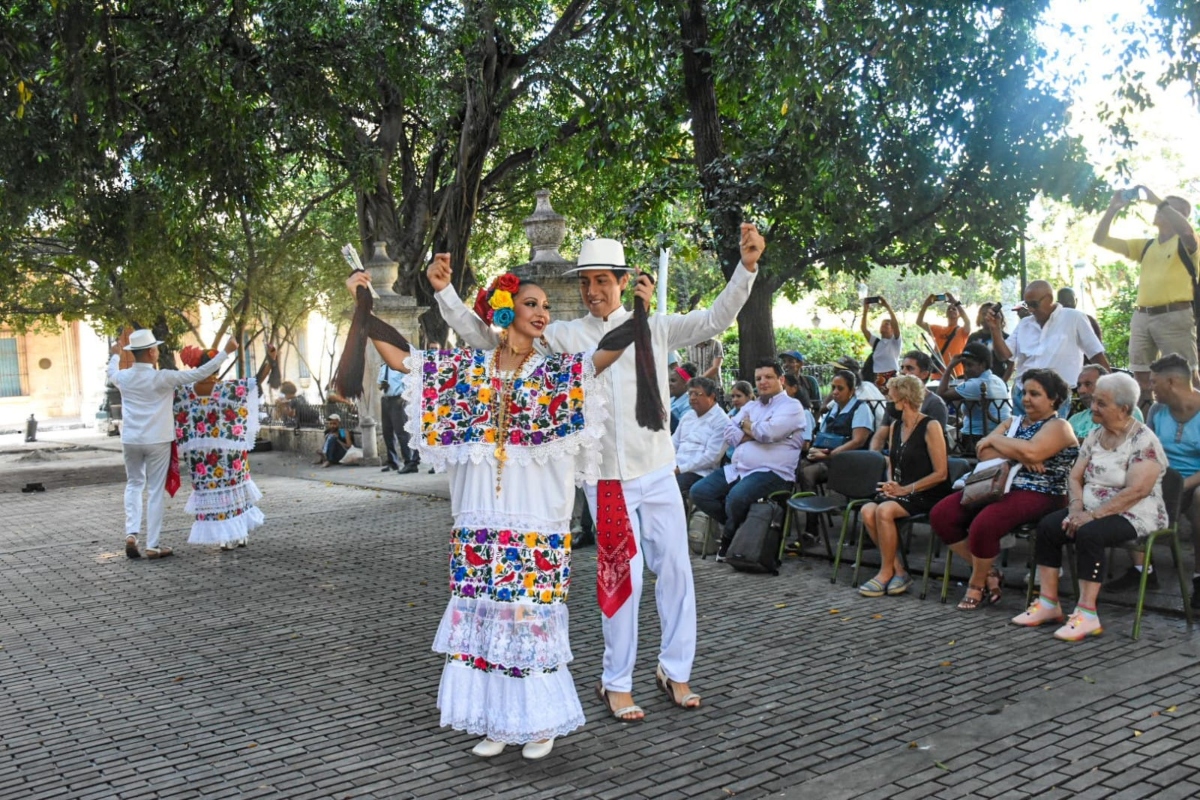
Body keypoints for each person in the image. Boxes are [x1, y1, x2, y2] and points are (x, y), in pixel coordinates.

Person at [434, 223, 765, 722]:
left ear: (624, 279)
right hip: (605, 481)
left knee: (675, 570)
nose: (592, 292)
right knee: (621, 578)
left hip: (657, 470)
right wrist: (448, 298)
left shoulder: (655, 325)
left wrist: (747, 266)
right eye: (585, 282)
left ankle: (675, 671)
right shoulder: (565, 336)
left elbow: (717, 317)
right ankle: (616, 681)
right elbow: (499, 341)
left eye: (601, 282)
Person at [346, 259, 642, 759]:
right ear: (504, 311)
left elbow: (605, 354)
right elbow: (404, 361)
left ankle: (540, 722)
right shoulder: (467, 373)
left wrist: (638, 309)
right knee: (488, 620)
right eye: (532, 303)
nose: (543, 313)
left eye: (547, 306)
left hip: (535, 523)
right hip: (481, 520)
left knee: (526, 618)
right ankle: (501, 723)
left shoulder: (555, 373)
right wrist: (365, 307)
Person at [1013, 372, 1169, 640]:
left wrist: (1092, 516)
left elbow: (1138, 490)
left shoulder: (1143, 440)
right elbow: (1075, 476)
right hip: (1090, 508)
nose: (1093, 407)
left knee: (1090, 533)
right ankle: (1048, 603)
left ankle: (1087, 613)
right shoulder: (1096, 435)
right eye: (1094, 401)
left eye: (1101, 403)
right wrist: (1075, 509)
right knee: (1050, 526)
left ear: (1124, 409)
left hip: (1134, 512)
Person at [930, 369, 1078, 610]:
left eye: (1035, 394)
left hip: (1042, 493)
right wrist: (1021, 451)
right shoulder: (1013, 422)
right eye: (1024, 392)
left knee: (985, 524)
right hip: (997, 485)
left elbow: (1032, 453)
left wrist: (1002, 443)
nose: (1026, 398)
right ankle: (990, 573)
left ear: (1053, 399)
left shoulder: (1059, 426)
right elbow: (983, 451)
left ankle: (976, 584)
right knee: (942, 515)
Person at [107, 330, 237, 559]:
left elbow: (111, 372)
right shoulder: (163, 377)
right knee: (155, 490)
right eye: (156, 348)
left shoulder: (124, 378)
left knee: (134, 484)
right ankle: (152, 545)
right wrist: (226, 352)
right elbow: (200, 373)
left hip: (130, 439)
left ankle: (131, 533)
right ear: (150, 352)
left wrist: (115, 355)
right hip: (158, 439)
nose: (157, 352)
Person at [690, 360, 806, 562]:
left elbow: (768, 433)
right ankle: (740, 530)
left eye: (768, 377)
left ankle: (729, 539)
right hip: (739, 469)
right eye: (758, 378)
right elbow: (729, 432)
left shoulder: (792, 406)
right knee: (699, 492)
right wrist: (752, 429)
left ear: (781, 379)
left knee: (735, 497)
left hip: (773, 472)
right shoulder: (751, 406)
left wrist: (747, 426)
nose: (763, 382)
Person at [1092, 187, 1199, 396]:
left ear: (1179, 216)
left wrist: (1157, 199)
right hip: (1142, 316)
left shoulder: (1189, 242)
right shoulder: (1147, 245)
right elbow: (1100, 239)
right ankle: (1151, 423)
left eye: (1167, 208)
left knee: (1186, 377)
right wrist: (1113, 208)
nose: (1158, 210)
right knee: (1141, 377)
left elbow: (1186, 231)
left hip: (1174, 316)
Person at [1108, 354, 1199, 596]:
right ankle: (1143, 570)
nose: (1149, 388)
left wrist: (1179, 487)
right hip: (1161, 478)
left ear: (1171, 383)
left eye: (1153, 382)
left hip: (1194, 481)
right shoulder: (1158, 410)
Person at [173, 344, 274, 550]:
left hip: (199, 458)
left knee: (212, 494)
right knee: (233, 492)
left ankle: (225, 537)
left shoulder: (182, 392)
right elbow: (256, 382)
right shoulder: (228, 389)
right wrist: (270, 359)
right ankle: (238, 533)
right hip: (229, 453)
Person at [858, 375, 951, 597]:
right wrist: (892, 483)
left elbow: (941, 473)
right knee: (867, 510)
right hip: (903, 490)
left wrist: (905, 490)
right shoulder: (896, 426)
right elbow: (892, 460)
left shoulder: (931, 425)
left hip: (928, 492)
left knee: (884, 509)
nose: (888, 403)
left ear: (904, 400)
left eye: (891, 398)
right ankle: (898, 570)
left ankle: (884, 571)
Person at [986, 280, 1110, 416]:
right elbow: (1004, 355)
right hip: (1022, 393)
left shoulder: (1074, 318)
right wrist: (995, 329)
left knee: (1050, 437)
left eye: (1034, 304)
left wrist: (1112, 388)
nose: (1031, 310)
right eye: (1028, 305)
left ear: (1049, 299)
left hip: (1055, 397)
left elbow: (1096, 355)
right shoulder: (1025, 324)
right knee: (1019, 437)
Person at [800, 369, 875, 491]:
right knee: (799, 466)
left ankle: (816, 508)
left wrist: (828, 455)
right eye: (833, 387)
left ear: (852, 390)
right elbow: (823, 435)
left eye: (840, 388)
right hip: (828, 456)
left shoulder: (861, 409)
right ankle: (814, 504)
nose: (835, 392)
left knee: (808, 472)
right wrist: (815, 450)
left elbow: (858, 441)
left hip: (849, 459)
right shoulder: (834, 408)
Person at [870, 350, 948, 451]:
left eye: (909, 368)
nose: (903, 371)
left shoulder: (935, 404)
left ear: (924, 374)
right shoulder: (895, 400)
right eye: (902, 367)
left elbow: (936, 444)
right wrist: (875, 457)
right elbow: (880, 435)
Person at [937, 342, 1011, 449]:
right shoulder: (997, 380)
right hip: (1001, 435)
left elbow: (941, 393)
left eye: (970, 365)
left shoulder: (977, 384)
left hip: (977, 439)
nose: (966, 369)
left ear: (983, 364)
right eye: (964, 365)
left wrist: (950, 366)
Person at [673, 377, 731, 502]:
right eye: (690, 394)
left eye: (697, 394)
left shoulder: (721, 421)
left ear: (712, 396)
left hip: (699, 472)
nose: (692, 398)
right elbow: (674, 442)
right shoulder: (688, 416)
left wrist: (680, 469)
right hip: (676, 466)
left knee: (671, 489)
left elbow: (711, 457)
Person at [1068, 365, 1143, 443]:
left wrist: (1078, 442)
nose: (1081, 390)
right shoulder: (1075, 419)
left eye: (1088, 384)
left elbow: (1125, 443)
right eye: (1079, 385)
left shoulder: (1124, 411)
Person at [917, 292, 970, 378]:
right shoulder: (938, 329)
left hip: (956, 373)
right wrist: (925, 305)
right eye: (949, 309)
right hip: (938, 373)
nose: (951, 310)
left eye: (954, 309)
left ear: (959, 314)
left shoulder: (962, 331)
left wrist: (955, 301)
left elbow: (967, 322)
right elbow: (919, 322)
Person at [379, 362, 419, 474]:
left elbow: (408, 384)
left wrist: (405, 398)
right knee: (387, 432)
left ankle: (408, 461)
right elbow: (379, 384)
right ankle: (392, 462)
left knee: (401, 432)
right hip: (386, 399)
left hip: (398, 399)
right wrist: (382, 385)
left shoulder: (400, 366)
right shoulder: (383, 367)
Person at [860, 295, 902, 387]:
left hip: (891, 376)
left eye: (887, 324)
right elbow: (864, 329)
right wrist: (865, 311)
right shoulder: (877, 342)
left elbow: (896, 324)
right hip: (876, 376)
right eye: (882, 324)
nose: (883, 326)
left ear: (892, 329)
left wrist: (887, 306)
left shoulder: (895, 342)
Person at [967, 303, 1012, 379]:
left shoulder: (1005, 337)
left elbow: (1011, 364)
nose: (986, 317)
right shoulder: (973, 337)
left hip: (996, 381)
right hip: (975, 381)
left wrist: (1003, 382)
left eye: (990, 314)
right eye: (983, 314)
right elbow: (966, 360)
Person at [1056, 288, 1103, 361]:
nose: (1068, 303)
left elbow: (1096, 348)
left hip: (1085, 364)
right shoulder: (1053, 322)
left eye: (1070, 300)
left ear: (1076, 301)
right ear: (1058, 303)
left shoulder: (1087, 319)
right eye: (1064, 301)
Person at [668, 362, 697, 433]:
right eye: (669, 380)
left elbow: (681, 429)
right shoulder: (671, 399)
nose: (669, 384)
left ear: (686, 384)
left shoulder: (690, 404)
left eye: (673, 381)